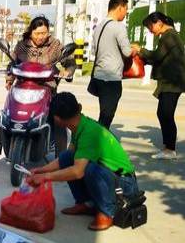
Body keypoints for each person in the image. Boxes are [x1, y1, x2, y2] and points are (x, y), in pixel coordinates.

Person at [27, 92, 139, 231]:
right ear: (78, 107)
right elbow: (66, 158)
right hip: (113, 177)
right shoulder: (79, 124)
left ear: (56, 118)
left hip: (125, 184)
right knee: (69, 157)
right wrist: (42, 170)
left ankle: (108, 212)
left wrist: (45, 178)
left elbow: (77, 172)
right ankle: (87, 203)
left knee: (91, 170)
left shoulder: (89, 132)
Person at [0, 16, 75, 171]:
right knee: (4, 117)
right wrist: (9, 79)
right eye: (38, 33)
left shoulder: (55, 45)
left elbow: (70, 62)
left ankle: (61, 160)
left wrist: (68, 71)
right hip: (23, 86)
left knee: (58, 118)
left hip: (47, 88)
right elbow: (13, 63)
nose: (41, 37)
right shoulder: (22, 46)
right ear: (31, 32)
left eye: (44, 33)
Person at [132, 12, 185, 160]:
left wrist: (140, 50)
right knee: (164, 113)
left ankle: (170, 149)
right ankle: (168, 147)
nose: (150, 30)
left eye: (150, 26)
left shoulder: (169, 36)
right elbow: (159, 59)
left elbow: (156, 56)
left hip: (172, 83)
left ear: (159, 22)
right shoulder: (169, 36)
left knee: (166, 114)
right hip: (170, 82)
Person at [88, 0, 138, 129]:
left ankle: (100, 142)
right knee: (106, 117)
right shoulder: (118, 27)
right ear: (120, 8)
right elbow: (127, 52)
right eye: (126, 9)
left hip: (98, 76)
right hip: (111, 78)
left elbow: (94, 51)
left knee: (104, 114)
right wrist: (135, 49)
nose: (126, 13)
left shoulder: (98, 27)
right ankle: (98, 144)